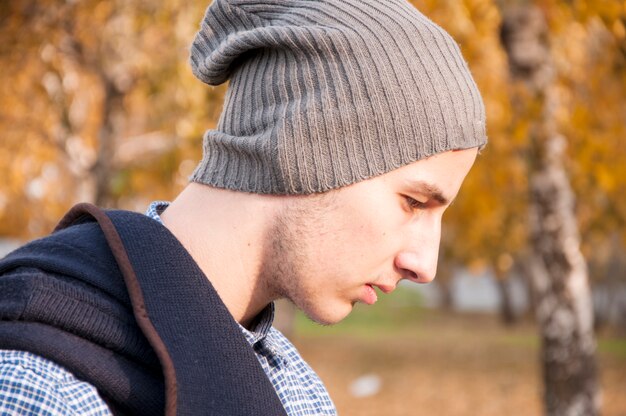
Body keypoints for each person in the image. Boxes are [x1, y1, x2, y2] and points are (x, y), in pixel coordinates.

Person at [0, 0, 487, 414]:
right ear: (306, 149)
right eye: (414, 202)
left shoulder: (296, 390)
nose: (425, 264)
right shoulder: (44, 387)